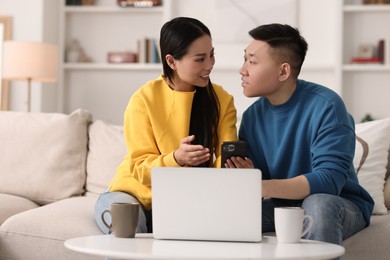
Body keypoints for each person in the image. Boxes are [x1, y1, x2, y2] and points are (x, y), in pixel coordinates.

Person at [225, 23, 374, 246]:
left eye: (252, 62)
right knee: (226, 215)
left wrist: (262, 185)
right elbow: (262, 182)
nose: (243, 69)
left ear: (283, 71)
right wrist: (250, 176)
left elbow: (329, 180)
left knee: (317, 205)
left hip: (338, 202)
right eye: (244, 59)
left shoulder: (327, 106)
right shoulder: (252, 117)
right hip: (282, 205)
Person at [95, 17, 238, 234]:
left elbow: (225, 158)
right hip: (133, 195)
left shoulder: (221, 99)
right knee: (127, 231)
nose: (210, 65)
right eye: (199, 59)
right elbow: (139, 170)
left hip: (187, 201)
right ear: (171, 61)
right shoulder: (143, 99)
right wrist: (176, 159)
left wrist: (235, 168)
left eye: (211, 55)